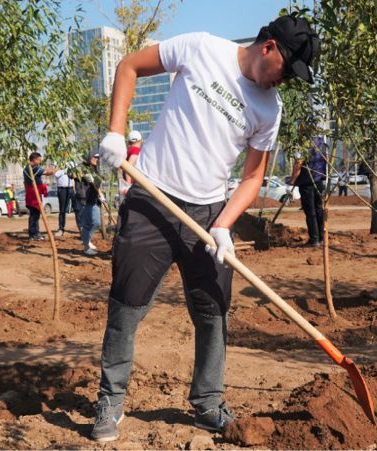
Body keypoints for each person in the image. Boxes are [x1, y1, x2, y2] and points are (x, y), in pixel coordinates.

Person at [92, 16, 319, 442]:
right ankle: (110, 399)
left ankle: (208, 402)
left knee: (214, 310)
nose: (286, 81)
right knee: (127, 305)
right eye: (287, 70)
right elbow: (128, 66)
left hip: (208, 214)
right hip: (151, 198)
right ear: (268, 47)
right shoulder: (201, 48)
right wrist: (116, 133)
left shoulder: (271, 108)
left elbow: (252, 177)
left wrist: (224, 225)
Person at [290, 138, 327, 247]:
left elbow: (298, 164)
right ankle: (321, 238)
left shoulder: (301, 144)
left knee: (310, 212)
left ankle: (314, 240)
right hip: (319, 181)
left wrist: (292, 180)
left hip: (306, 183)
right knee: (319, 210)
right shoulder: (321, 142)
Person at [23, 152, 55, 241]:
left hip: (31, 193)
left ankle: (34, 233)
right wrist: (53, 171)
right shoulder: (33, 168)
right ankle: (34, 234)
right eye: (39, 159)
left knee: (34, 214)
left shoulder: (26, 168)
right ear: (34, 159)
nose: (40, 161)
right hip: (34, 194)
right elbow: (46, 172)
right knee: (35, 214)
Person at [80, 152, 103, 256]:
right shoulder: (83, 169)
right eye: (94, 157)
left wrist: (101, 195)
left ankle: (86, 240)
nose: (96, 159)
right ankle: (86, 246)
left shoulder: (96, 170)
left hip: (94, 200)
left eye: (97, 158)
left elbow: (97, 185)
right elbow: (72, 175)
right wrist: (83, 176)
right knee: (88, 224)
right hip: (85, 199)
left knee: (96, 223)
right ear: (89, 157)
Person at [54, 164, 75, 237]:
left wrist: (68, 169)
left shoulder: (71, 162)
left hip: (71, 188)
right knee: (62, 210)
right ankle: (61, 229)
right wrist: (64, 170)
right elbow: (56, 174)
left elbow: (74, 172)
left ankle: (81, 228)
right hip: (62, 189)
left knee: (77, 208)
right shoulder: (57, 162)